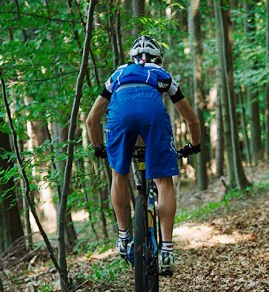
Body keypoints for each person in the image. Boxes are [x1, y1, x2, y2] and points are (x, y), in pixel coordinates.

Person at [86, 35, 201, 276]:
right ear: (158, 58)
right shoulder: (162, 75)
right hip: (153, 118)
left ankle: (122, 235)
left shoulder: (117, 75)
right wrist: (194, 145)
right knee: (163, 179)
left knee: (118, 174)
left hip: (120, 117)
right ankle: (167, 250)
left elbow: (91, 120)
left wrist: (100, 149)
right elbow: (191, 119)